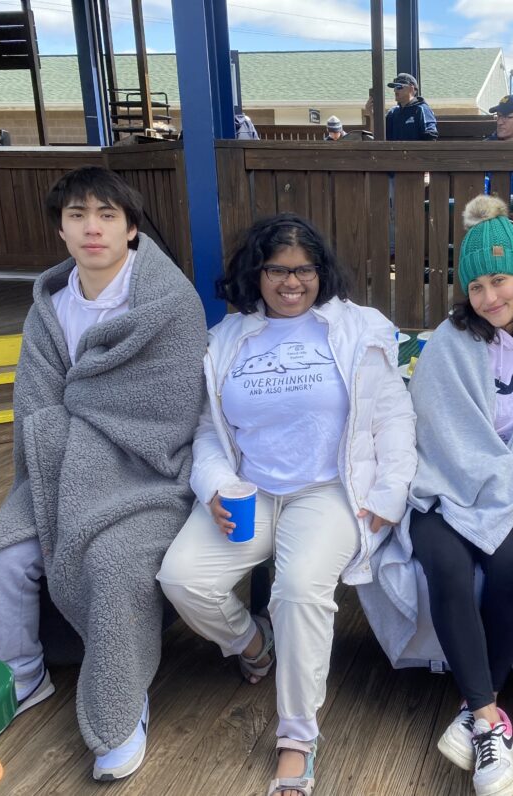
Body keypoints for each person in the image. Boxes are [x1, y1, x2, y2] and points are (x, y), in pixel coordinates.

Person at [156, 213, 416, 796]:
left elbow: (394, 415)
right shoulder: (227, 338)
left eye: (304, 270)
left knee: (298, 590)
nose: (291, 282)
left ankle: (296, 738)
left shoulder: (359, 327)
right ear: (258, 272)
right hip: (251, 489)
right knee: (182, 578)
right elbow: (208, 431)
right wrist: (216, 487)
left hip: (328, 489)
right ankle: (253, 642)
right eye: (277, 269)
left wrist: (388, 494)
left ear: (321, 273)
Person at [0, 166, 206, 781]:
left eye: (106, 216)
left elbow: (171, 408)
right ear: (62, 230)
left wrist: (89, 426)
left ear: (130, 229)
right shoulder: (48, 308)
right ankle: (24, 674)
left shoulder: (170, 302)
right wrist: (72, 434)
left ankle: (121, 709)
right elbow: (35, 405)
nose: (91, 228)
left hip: (145, 475)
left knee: (115, 564)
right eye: (77, 216)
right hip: (57, 469)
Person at [356, 194, 513, 796]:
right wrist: (485, 476)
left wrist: (509, 478)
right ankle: (491, 720)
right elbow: (441, 429)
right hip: (443, 484)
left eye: (499, 280)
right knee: (445, 566)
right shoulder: (450, 340)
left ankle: (476, 714)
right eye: (476, 287)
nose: (490, 297)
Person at [384, 72, 438, 141]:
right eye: (394, 87)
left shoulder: (422, 109)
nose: (395, 90)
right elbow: (381, 135)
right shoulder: (392, 112)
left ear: (411, 88)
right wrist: (371, 113)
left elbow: (431, 137)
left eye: (399, 87)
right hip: (394, 151)